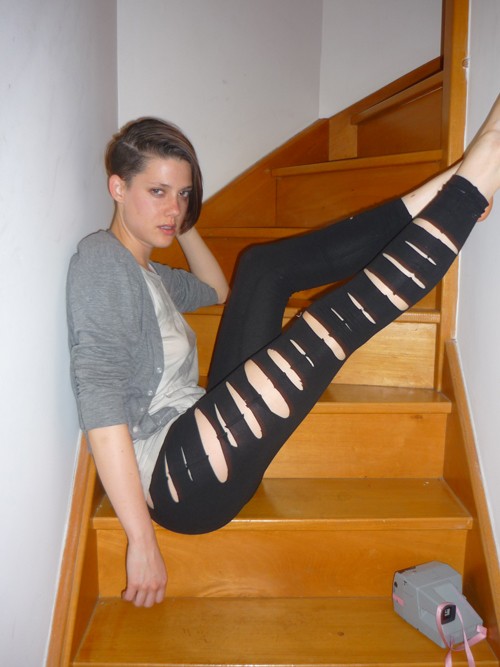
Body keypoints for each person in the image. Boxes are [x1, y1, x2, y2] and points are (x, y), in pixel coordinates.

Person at [67, 95, 499, 609]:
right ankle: (473, 183)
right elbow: (100, 401)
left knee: (263, 267)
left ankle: (447, 187)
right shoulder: (101, 260)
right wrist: (141, 540)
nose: (174, 207)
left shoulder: (151, 274)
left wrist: (181, 225)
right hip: (180, 479)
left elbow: (217, 289)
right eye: (157, 192)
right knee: (331, 328)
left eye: (182, 194)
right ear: (118, 188)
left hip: (207, 431)